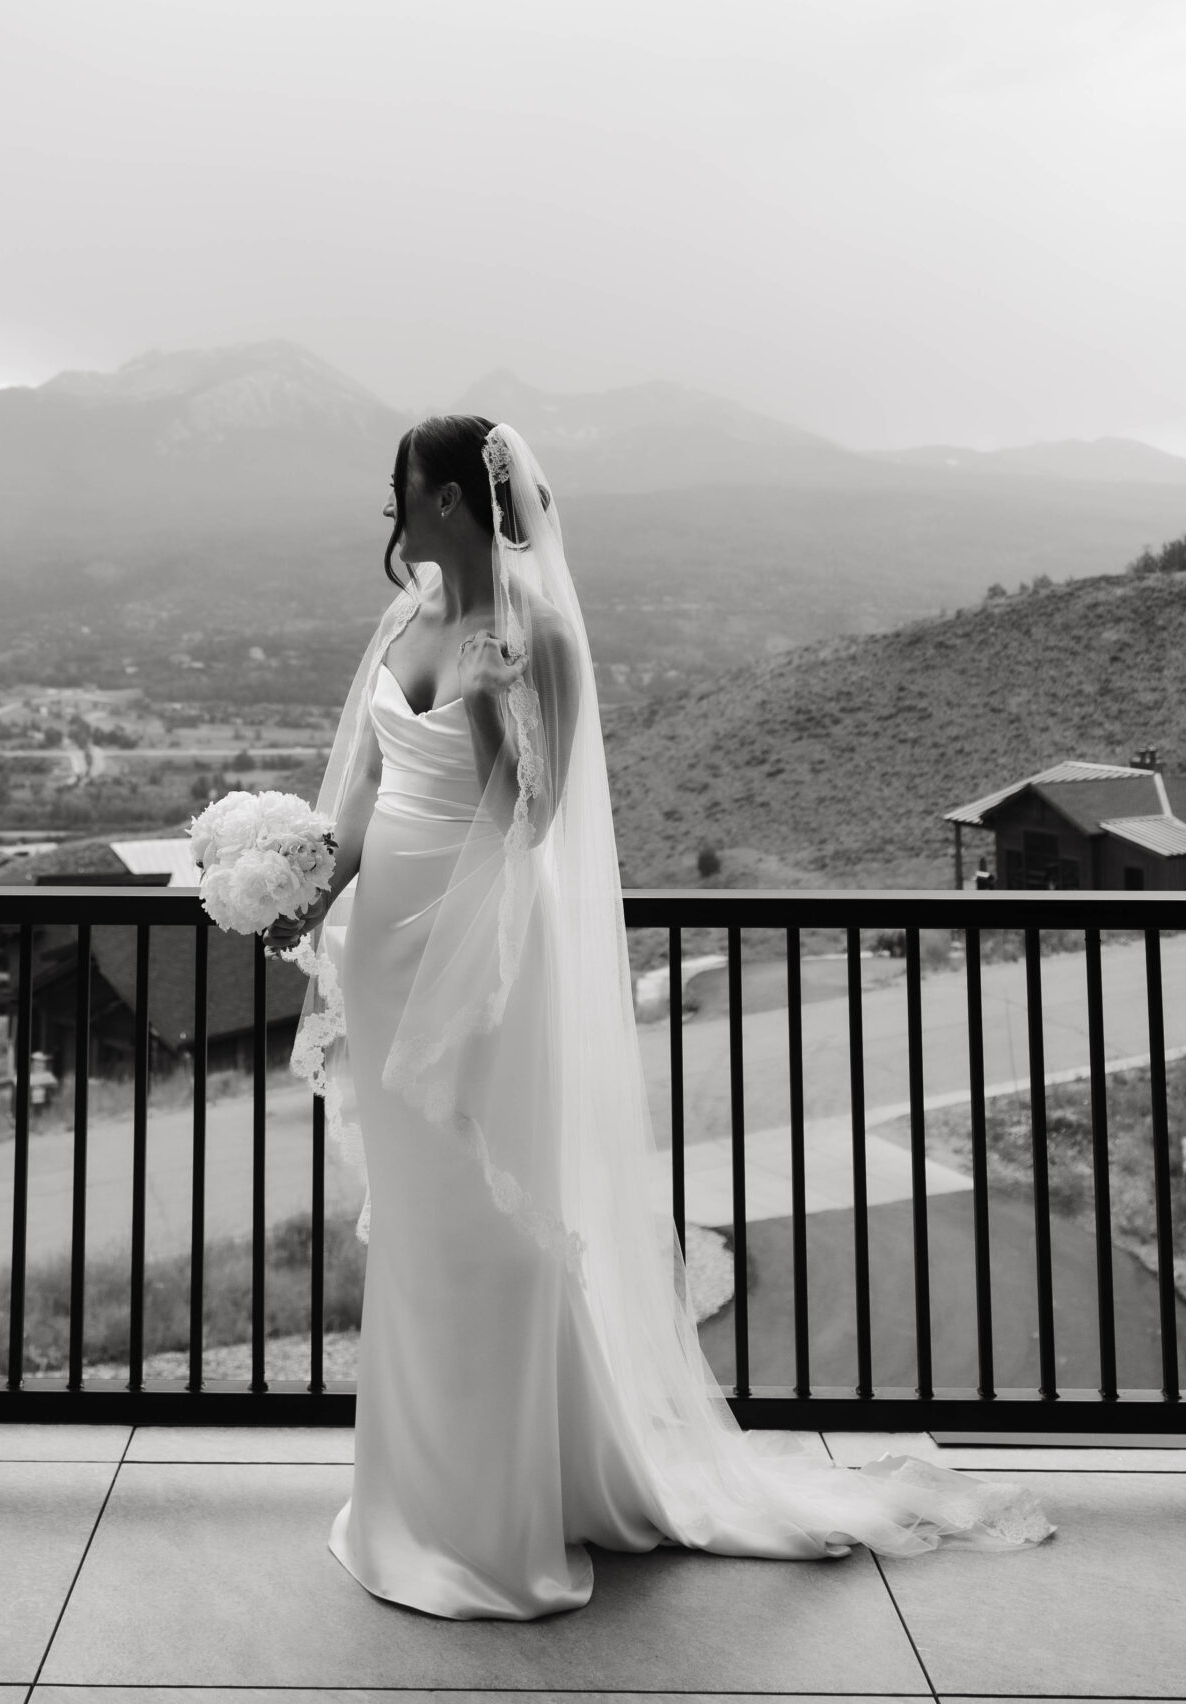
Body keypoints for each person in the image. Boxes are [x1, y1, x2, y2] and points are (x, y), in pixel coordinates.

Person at [267, 415, 1048, 1619]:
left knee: (494, 1232)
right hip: (384, 962)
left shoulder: (545, 641)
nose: (395, 518)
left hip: (484, 971)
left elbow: (532, 820)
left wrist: (484, 700)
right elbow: (367, 800)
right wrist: (305, 896)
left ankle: (496, 1516)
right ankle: (408, 1502)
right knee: (420, 1237)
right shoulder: (404, 620)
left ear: (459, 506)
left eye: (407, 495)